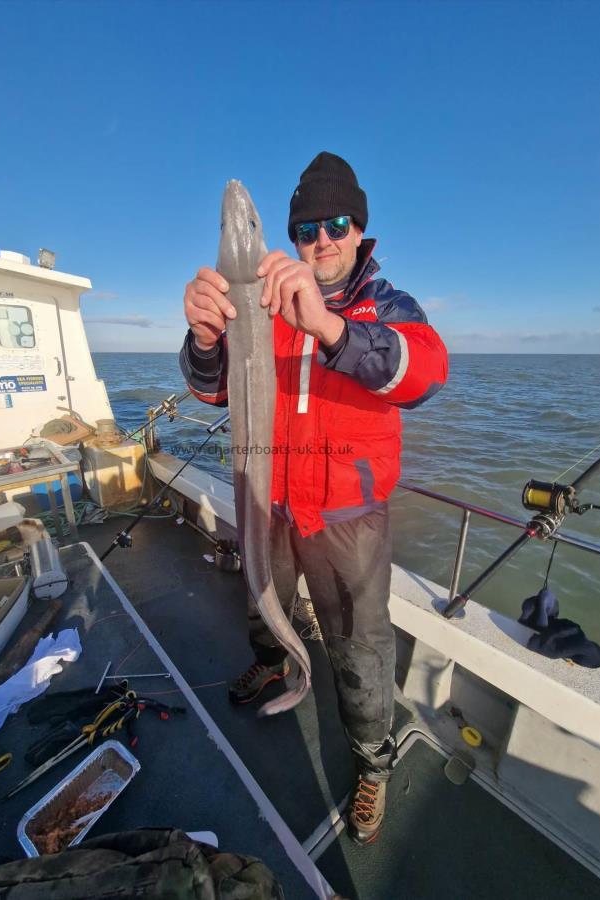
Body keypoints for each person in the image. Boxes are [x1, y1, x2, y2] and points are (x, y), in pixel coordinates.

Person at [179, 152, 448, 844]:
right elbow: (211, 388)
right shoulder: (262, 304)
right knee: (258, 600)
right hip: (266, 503)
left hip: (345, 521)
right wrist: (206, 335)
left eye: (335, 224)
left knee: (359, 650)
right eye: (306, 228)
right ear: (292, 235)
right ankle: (272, 665)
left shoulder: (386, 306)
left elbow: (421, 375)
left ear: (358, 230)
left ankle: (371, 765)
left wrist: (327, 327)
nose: (321, 239)